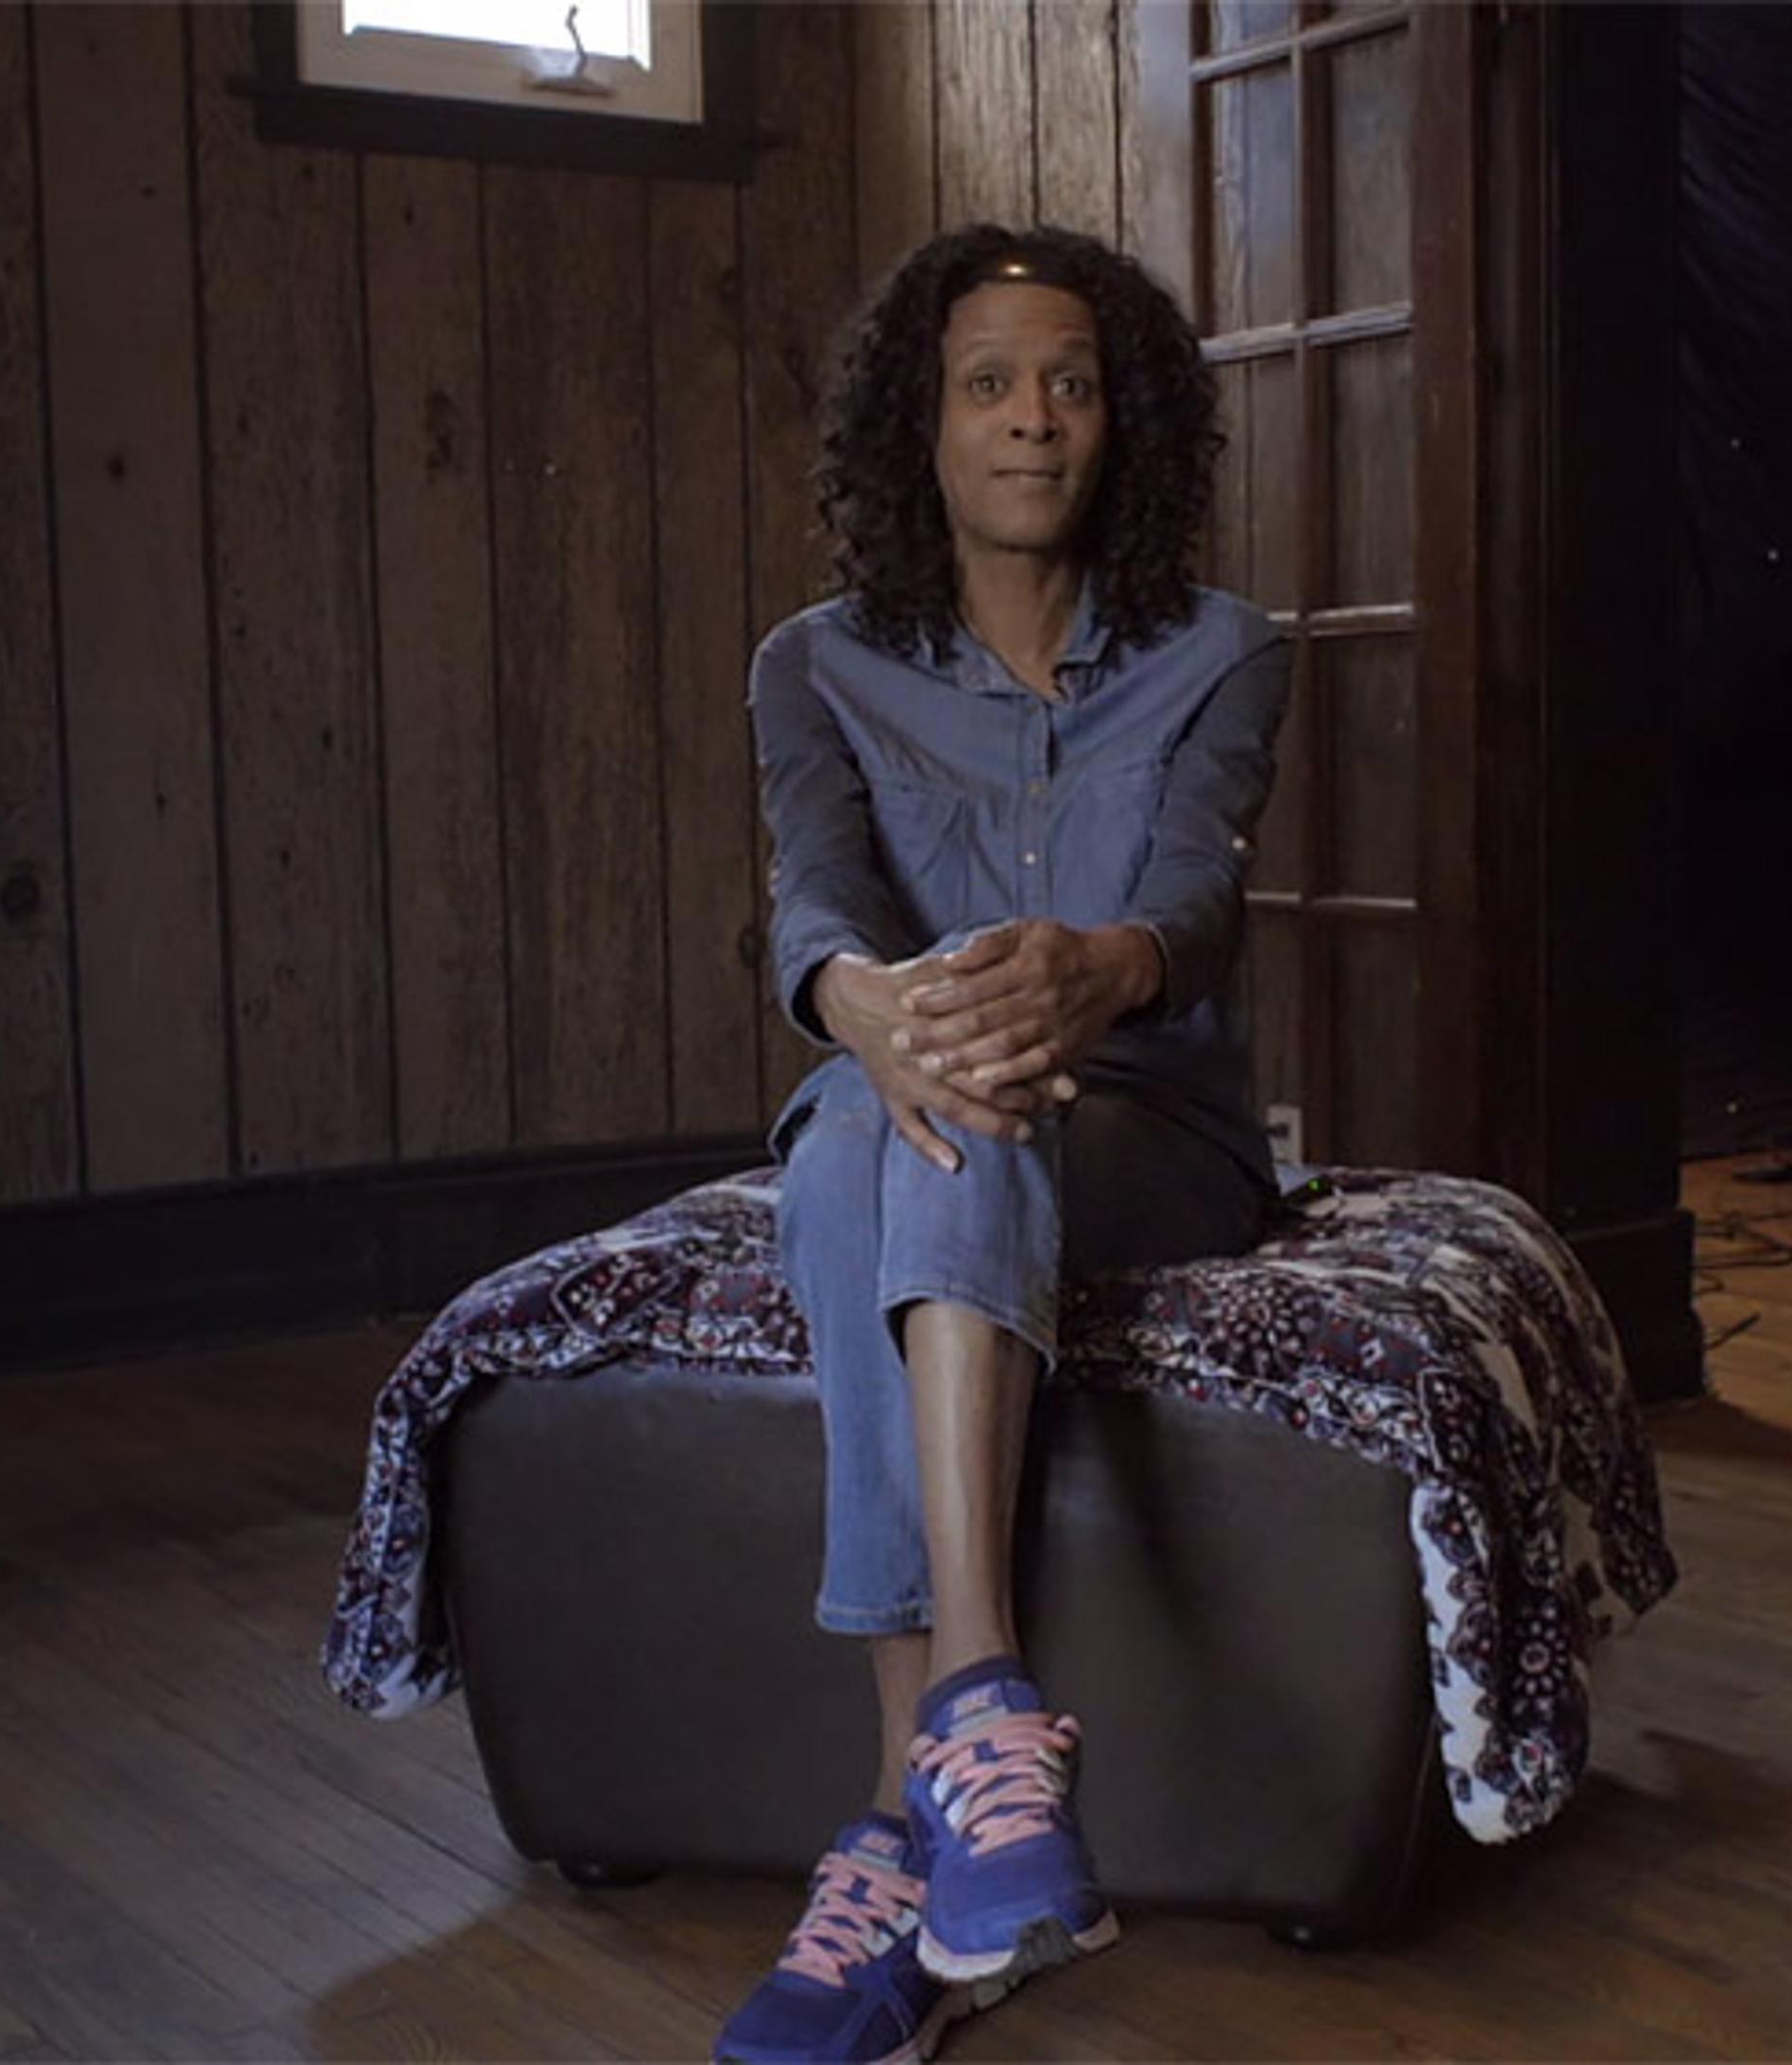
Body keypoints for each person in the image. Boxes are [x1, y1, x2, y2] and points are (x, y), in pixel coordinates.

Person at [716, 224, 1291, 2065]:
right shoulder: (809, 667)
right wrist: (860, 1002)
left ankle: (910, 1787)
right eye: (988, 385)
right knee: (883, 1127)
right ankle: (973, 1743)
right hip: (893, 1080)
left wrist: (1094, 969)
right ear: (923, 427)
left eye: (1071, 383)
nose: (1032, 421)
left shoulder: (1221, 654)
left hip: (1150, 1120)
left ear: (1125, 425)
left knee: (926, 1133)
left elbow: (1196, 905)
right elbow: (813, 898)